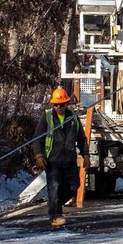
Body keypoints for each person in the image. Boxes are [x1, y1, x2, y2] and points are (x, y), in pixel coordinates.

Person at [32, 87, 89, 227]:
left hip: (69, 160)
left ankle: (55, 204)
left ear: (66, 104)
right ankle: (55, 215)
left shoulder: (73, 117)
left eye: (62, 104)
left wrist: (85, 154)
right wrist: (39, 156)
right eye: (56, 105)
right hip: (53, 160)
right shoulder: (47, 117)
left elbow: (81, 138)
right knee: (55, 187)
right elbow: (37, 139)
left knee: (74, 186)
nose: (59, 107)